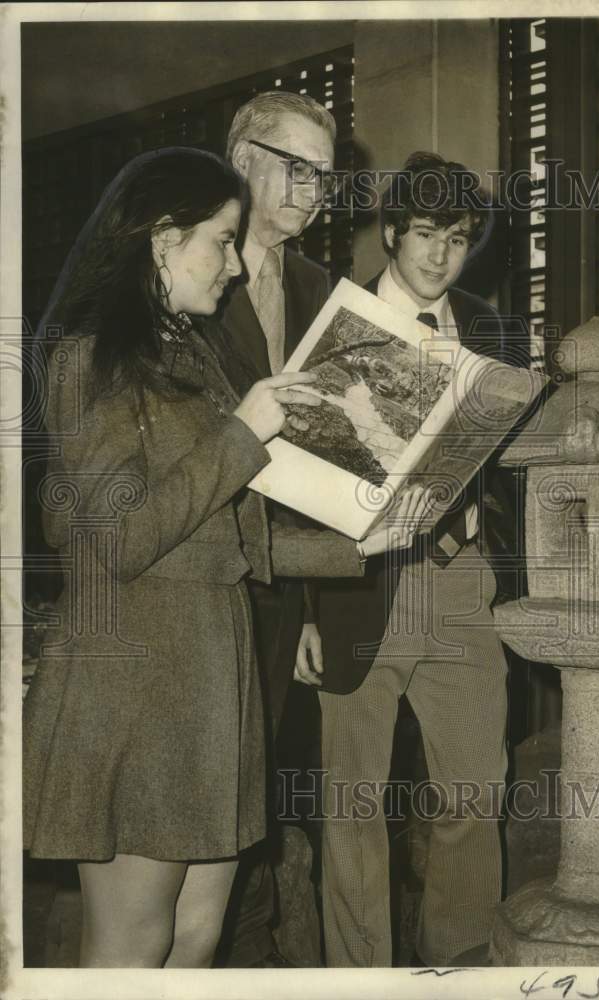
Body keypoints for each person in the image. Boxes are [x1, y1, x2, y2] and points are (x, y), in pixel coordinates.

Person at [22, 146, 430, 968]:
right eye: (224, 238)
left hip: (212, 666)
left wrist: (366, 539)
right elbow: (126, 537)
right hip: (135, 677)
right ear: (163, 240)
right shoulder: (88, 355)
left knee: (200, 935)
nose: (239, 264)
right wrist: (245, 431)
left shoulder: (193, 352)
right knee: (133, 944)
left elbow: (225, 533)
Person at [315, 152, 512, 967]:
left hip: (462, 575)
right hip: (360, 581)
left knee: (474, 792)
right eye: (425, 233)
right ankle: (359, 982)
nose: (440, 255)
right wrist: (307, 610)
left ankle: (459, 969)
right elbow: (300, 476)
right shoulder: (338, 321)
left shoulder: (486, 324)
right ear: (392, 230)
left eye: (458, 238)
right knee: (354, 804)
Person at [207, 90, 340, 967]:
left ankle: (243, 960)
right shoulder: (177, 277)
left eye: (324, 178)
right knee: (200, 798)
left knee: (259, 798)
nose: (312, 191)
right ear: (242, 157)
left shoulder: (325, 293)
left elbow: (326, 464)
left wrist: (313, 602)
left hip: (285, 583)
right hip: (196, 575)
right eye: (295, 167)